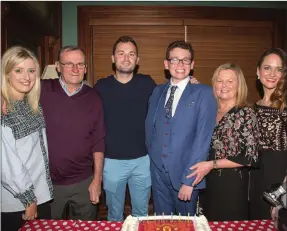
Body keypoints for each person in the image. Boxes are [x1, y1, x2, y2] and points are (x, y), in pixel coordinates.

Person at [145, 40, 217, 216]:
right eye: (175, 60)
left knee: (186, 224)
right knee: (162, 222)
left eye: (185, 60)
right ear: (166, 63)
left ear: (192, 65)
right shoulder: (157, 92)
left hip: (185, 175)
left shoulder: (204, 93)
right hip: (158, 173)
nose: (180, 64)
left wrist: (189, 181)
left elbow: (203, 139)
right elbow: (151, 129)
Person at [39, 46, 106, 220]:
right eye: (69, 64)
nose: (75, 69)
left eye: (80, 64)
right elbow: (13, 85)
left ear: (85, 68)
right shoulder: (41, 90)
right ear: (58, 66)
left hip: (84, 181)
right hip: (48, 184)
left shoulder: (94, 97)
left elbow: (98, 140)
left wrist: (97, 179)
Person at [187, 63, 259, 221]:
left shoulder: (246, 113)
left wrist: (211, 164)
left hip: (231, 186)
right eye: (219, 81)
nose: (224, 85)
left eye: (230, 81)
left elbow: (249, 157)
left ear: (239, 84)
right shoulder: (210, 110)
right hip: (205, 182)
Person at [95, 36, 156, 221]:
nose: (126, 58)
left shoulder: (148, 84)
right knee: (114, 215)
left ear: (137, 60)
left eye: (131, 54)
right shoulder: (101, 86)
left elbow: (170, 94)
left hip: (143, 161)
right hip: (111, 162)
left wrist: (190, 85)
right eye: (121, 53)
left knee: (141, 214)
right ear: (113, 58)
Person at [1, 46, 53, 231]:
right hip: (18, 203)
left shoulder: (33, 107)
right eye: (18, 70)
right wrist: (28, 198)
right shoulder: (4, 113)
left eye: (31, 71)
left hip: (41, 195)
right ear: (7, 74)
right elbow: (7, 166)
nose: (27, 77)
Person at [249, 48, 287, 220]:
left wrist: (282, 193)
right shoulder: (254, 106)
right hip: (256, 174)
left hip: (279, 176)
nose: (272, 74)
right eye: (267, 68)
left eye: (278, 69)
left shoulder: (285, 106)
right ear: (258, 72)